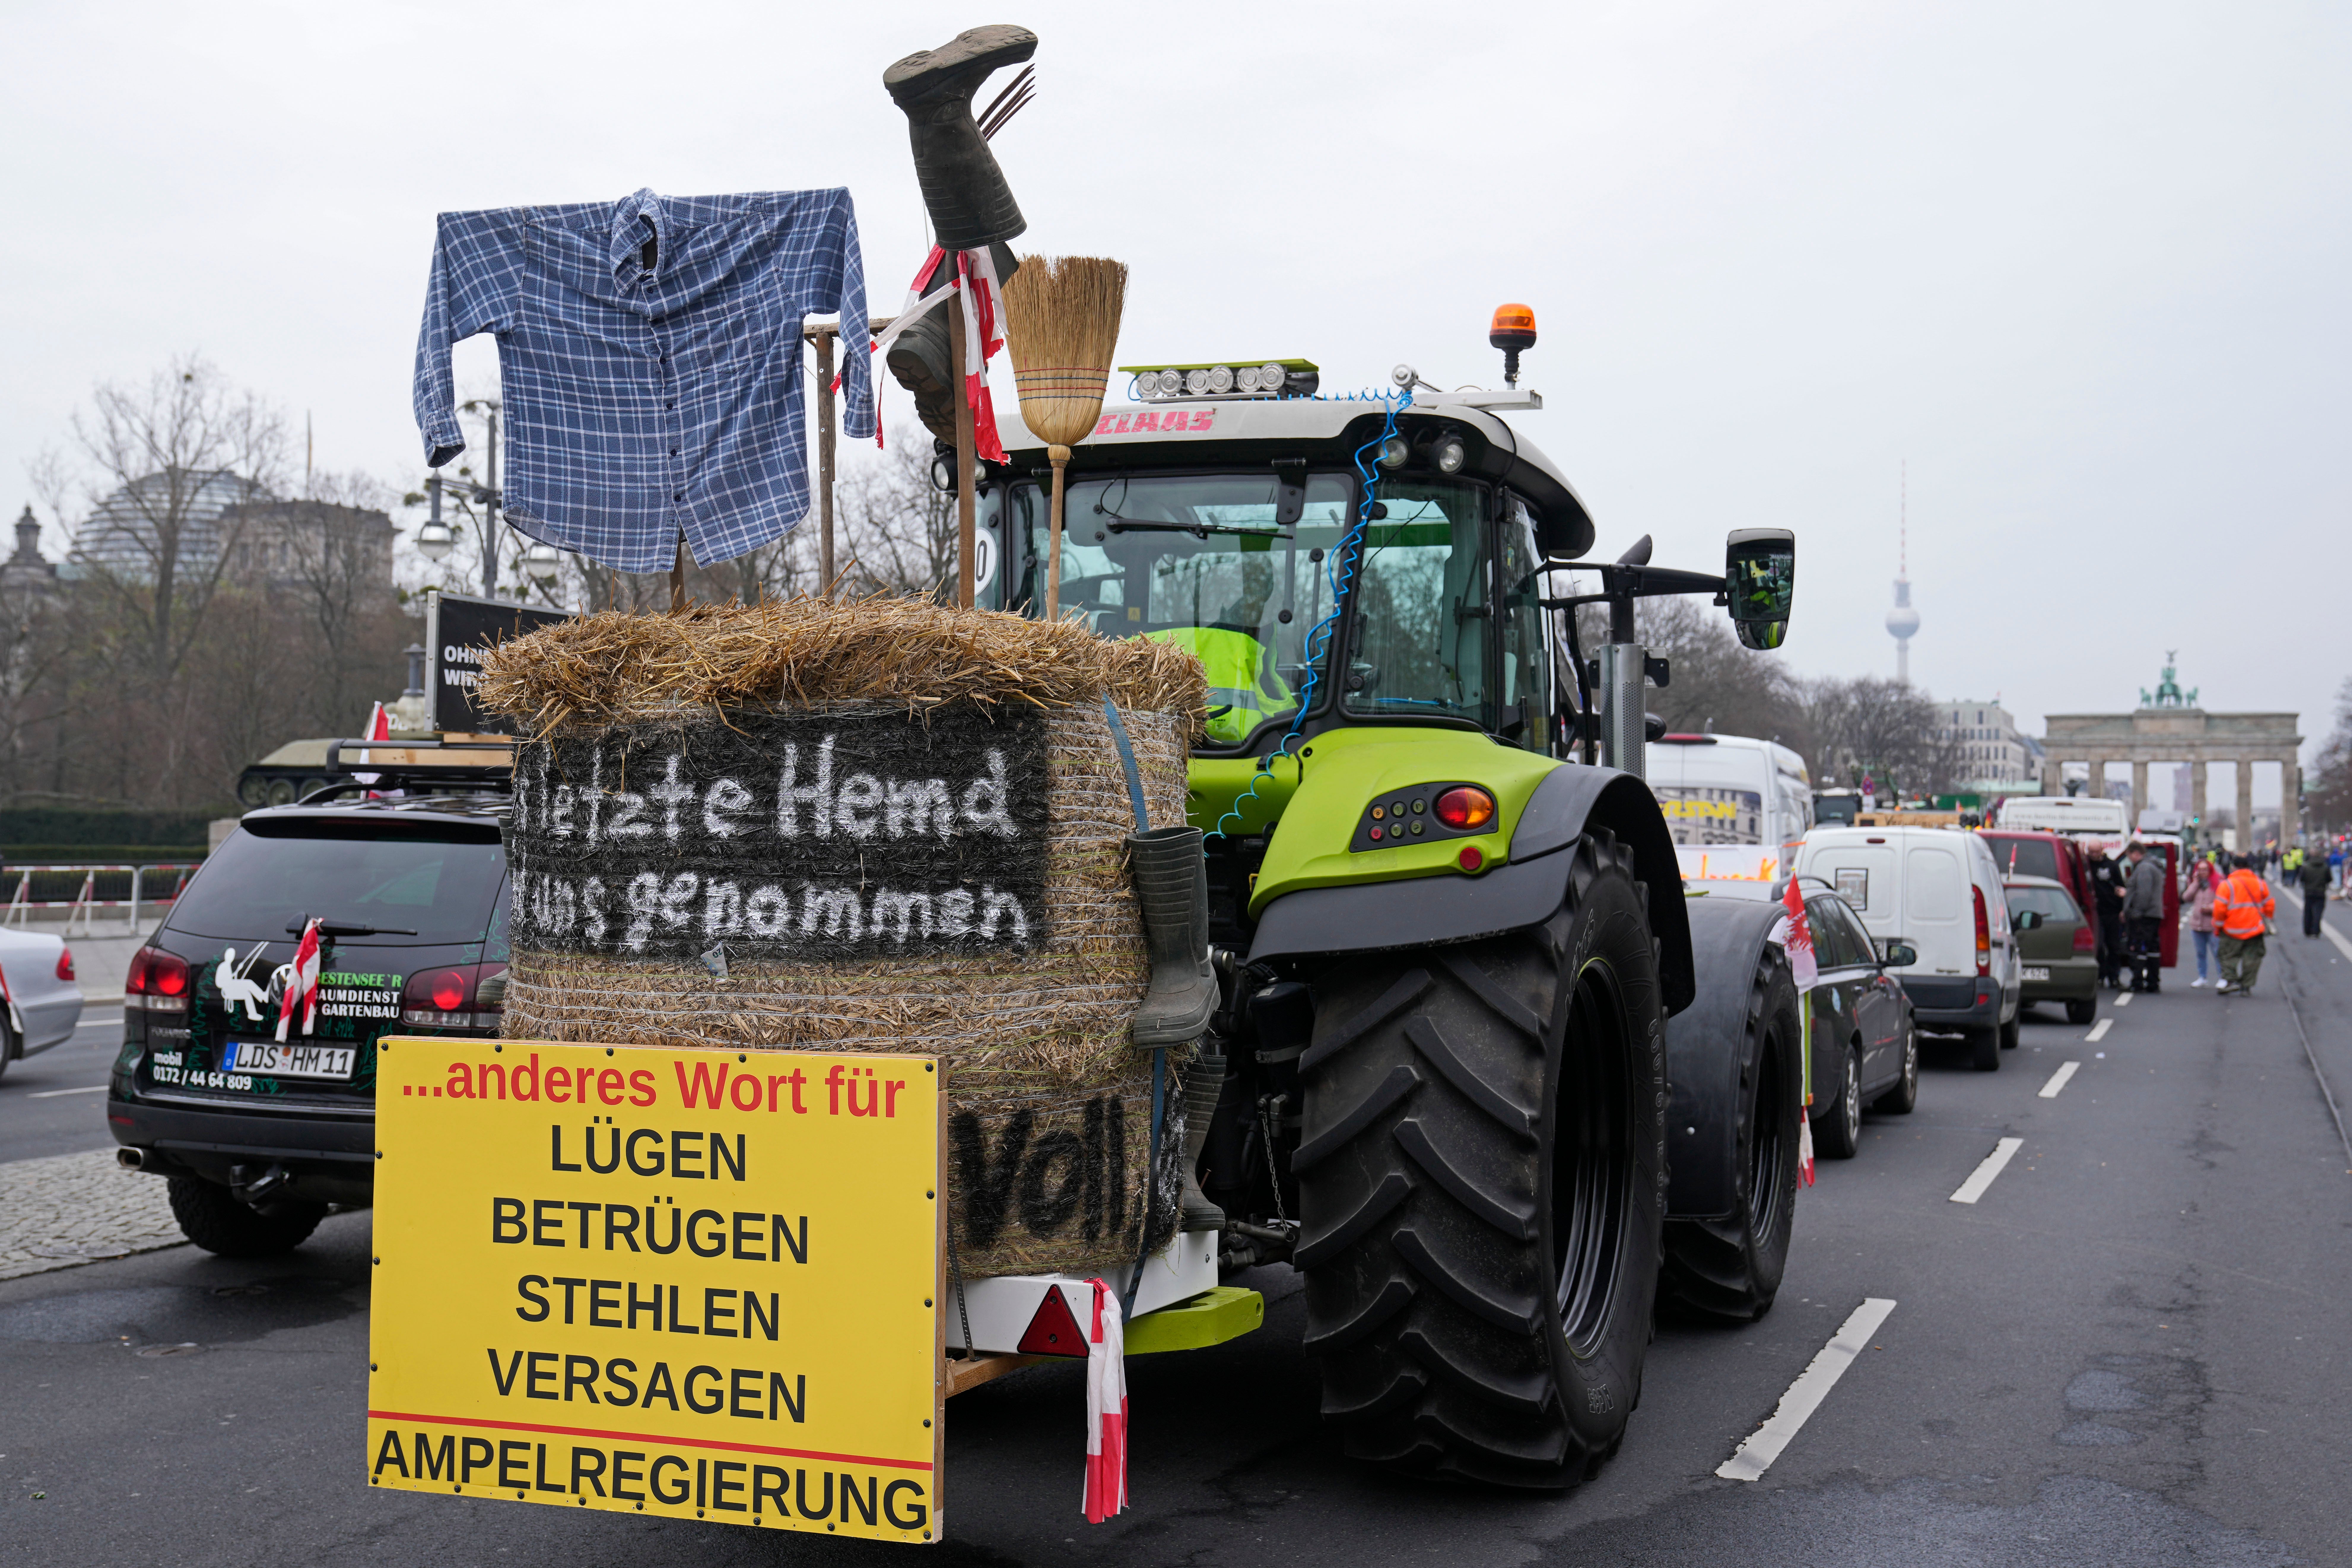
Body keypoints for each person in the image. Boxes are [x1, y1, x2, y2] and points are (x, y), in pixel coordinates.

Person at [2213, 854, 2276, 996]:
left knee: (2228, 956)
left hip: (2231, 929)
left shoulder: (2227, 885)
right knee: (2252, 959)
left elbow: (2219, 909)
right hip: (2255, 928)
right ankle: (2246, 987)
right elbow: (2270, 904)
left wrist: (2219, 927)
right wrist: (2266, 919)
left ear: (2233, 867)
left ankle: (2231, 980)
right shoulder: (2260, 883)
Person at [2121, 841, 2167, 992]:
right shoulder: (2153, 866)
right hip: (2153, 914)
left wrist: (2136, 912)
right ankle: (2153, 983)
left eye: (2129, 856)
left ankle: (2138, 982)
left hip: (2145, 916)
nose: (2130, 860)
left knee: (2138, 949)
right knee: (2153, 949)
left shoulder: (2144, 868)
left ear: (2135, 853)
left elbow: (2144, 893)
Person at [2086, 843, 2129, 990]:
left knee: (2113, 946)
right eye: (2091, 852)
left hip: (2112, 911)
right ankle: (2100, 977)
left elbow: (2121, 886)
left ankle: (2114, 978)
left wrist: (2122, 909)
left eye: (2096, 852)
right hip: (2095, 912)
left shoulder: (2112, 866)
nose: (2094, 855)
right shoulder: (2086, 865)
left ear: (2102, 851)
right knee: (2098, 947)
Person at [2187, 859, 2219, 987]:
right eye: (2199, 869)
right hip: (2197, 925)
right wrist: (2195, 883)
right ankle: (2202, 977)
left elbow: (2223, 901)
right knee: (2201, 953)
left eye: (2205, 869)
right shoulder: (2197, 884)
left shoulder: (2217, 883)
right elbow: (2186, 897)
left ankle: (2223, 977)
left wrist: (2211, 908)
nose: (2202, 872)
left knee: (2217, 953)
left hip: (2212, 925)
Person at [2299, 843, 2332, 937]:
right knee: (2318, 912)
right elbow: (2330, 879)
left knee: (2308, 912)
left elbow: (2302, 879)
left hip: (2309, 892)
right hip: (2321, 892)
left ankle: (2308, 930)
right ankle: (2316, 931)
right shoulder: (2325, 867)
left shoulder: (2306, 866)